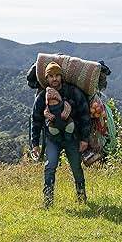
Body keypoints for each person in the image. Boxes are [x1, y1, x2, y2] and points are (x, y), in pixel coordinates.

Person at [31, 61, 90, 209]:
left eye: (57, 75)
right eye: (51, 76)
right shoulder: (42, 97)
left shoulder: (73, 92)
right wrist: (35, 143)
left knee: (76, 167)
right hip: (52, 139)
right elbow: (36, 119)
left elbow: (84, 115)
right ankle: (48, 202)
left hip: (72, 138)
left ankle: (82, 198)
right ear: (47, 79)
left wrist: (84, 139)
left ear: (62, 76)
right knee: (50, 166)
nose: (54, 79)